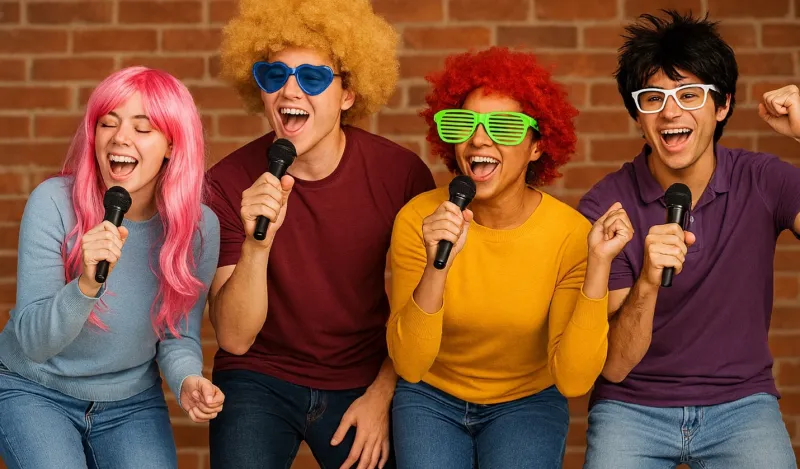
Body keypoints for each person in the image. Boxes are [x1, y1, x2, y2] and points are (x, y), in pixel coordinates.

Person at [205, 0, 435, 468]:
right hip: (259, 374)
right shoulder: (227, 182)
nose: (289, 90)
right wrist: (257, 245)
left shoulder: (400, 174)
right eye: (274, 75)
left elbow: (422, 307)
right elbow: (233, 338)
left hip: (364, 375)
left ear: (347, 94)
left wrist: (383, 394)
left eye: (312, 77)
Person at [386, 46, 633, 469]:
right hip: (430, 396)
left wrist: (598, 266)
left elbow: (573, 380)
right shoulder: (420, 219)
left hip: (526, 401)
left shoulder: (570, 234)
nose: (479, 140)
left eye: (503, 126)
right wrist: (436, 265)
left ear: (537, 147)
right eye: (464, 123)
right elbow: (409, 364)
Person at [578, 10, 800, 469]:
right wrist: (647, 282)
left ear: (722, 106)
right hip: (631, 407)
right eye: (653, 98)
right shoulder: (606, 206)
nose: (670, 111)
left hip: (742, 404)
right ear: (638, 116)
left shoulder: (763, 179)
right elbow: (615, 366)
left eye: (689, 94)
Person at [0, 66, 223, 469]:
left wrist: (188, 379)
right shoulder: (53, 203)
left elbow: (177, 334)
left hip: (130, 402)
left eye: (143, 127)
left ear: (172, 144)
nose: (120, 137)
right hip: (34, 389)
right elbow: (33, 343)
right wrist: (86, 285)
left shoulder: (198, 228)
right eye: (108, 123)